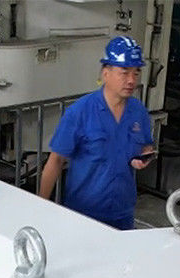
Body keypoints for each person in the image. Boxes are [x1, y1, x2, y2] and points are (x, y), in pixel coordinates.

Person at [39, 36, 155, 230]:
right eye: (124, 72)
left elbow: (146, 145)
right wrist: (39, 207)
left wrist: (145, 155)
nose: (131, 80)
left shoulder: (138, 112)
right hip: (83, 214)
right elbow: (55, 161)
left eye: (136, 73)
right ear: (106, 73)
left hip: (122, 213)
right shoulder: (80, 112)